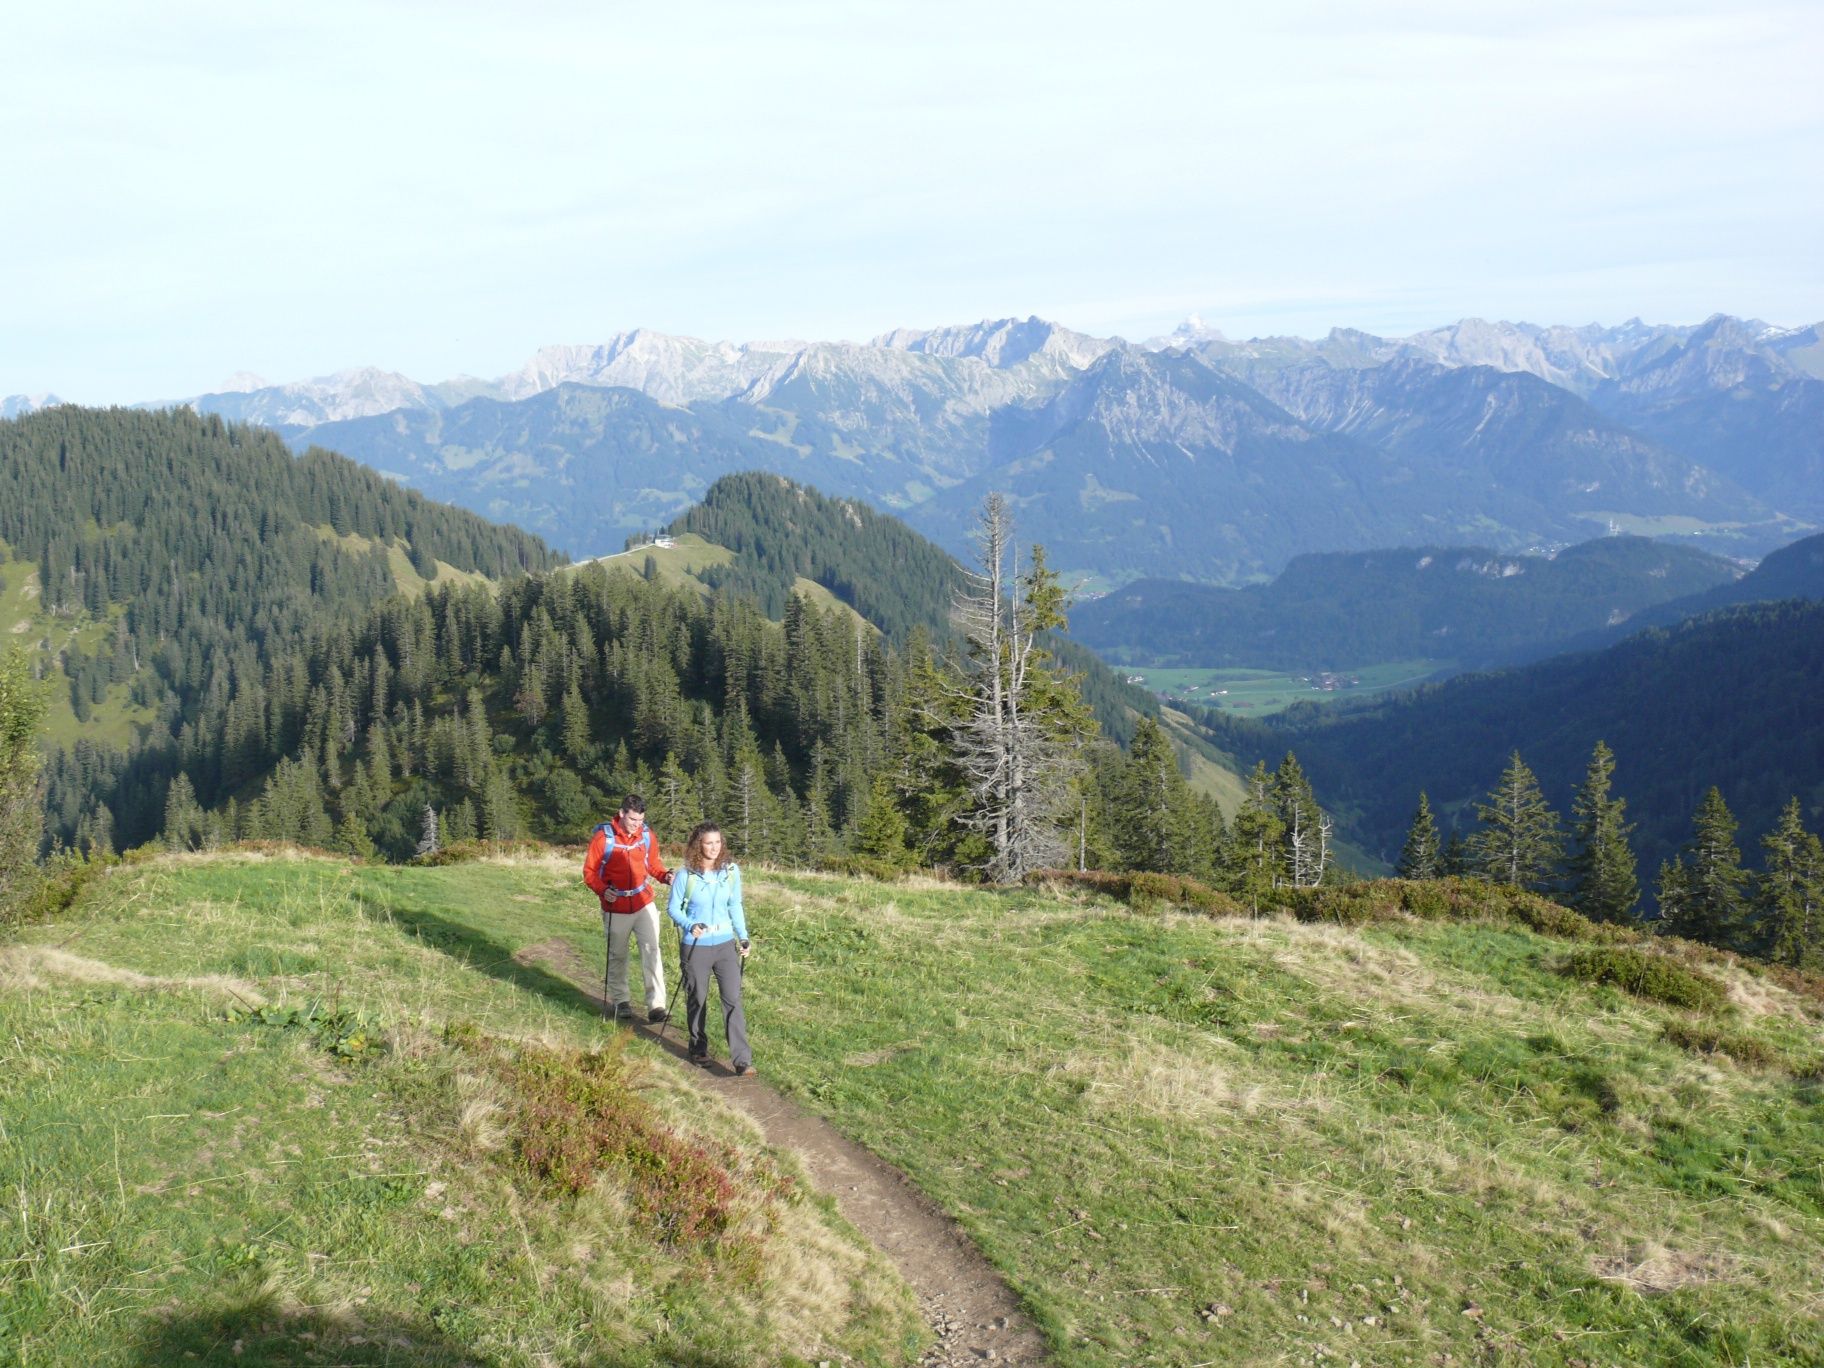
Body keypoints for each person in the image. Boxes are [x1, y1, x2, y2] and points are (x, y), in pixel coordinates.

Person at [666, 821, 753, 1076]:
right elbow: (673, 909)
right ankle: (698, 1048)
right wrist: (690, 924)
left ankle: (741, 1060)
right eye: (708, 843)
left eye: (718, 842)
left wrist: (743, 936)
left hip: (725, 944)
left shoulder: (731, 872)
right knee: (697, 998)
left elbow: (735, 904)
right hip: (696, 946)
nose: (714, 847)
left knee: (733, 999)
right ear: (698, 845)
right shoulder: (686, 876)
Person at [582, 795, 673, 1023]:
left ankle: (656, 1006)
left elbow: (653, 865)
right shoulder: (603, 839)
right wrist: (603, 890)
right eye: (633, 819)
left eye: (640, 820)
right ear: (621, 813)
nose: (636, 824)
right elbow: (589, 873)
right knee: (617, 956)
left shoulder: (647, 836)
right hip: (615, 907)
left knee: (652, 952)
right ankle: (621, 1001)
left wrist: (665, 876)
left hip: (644, 903)